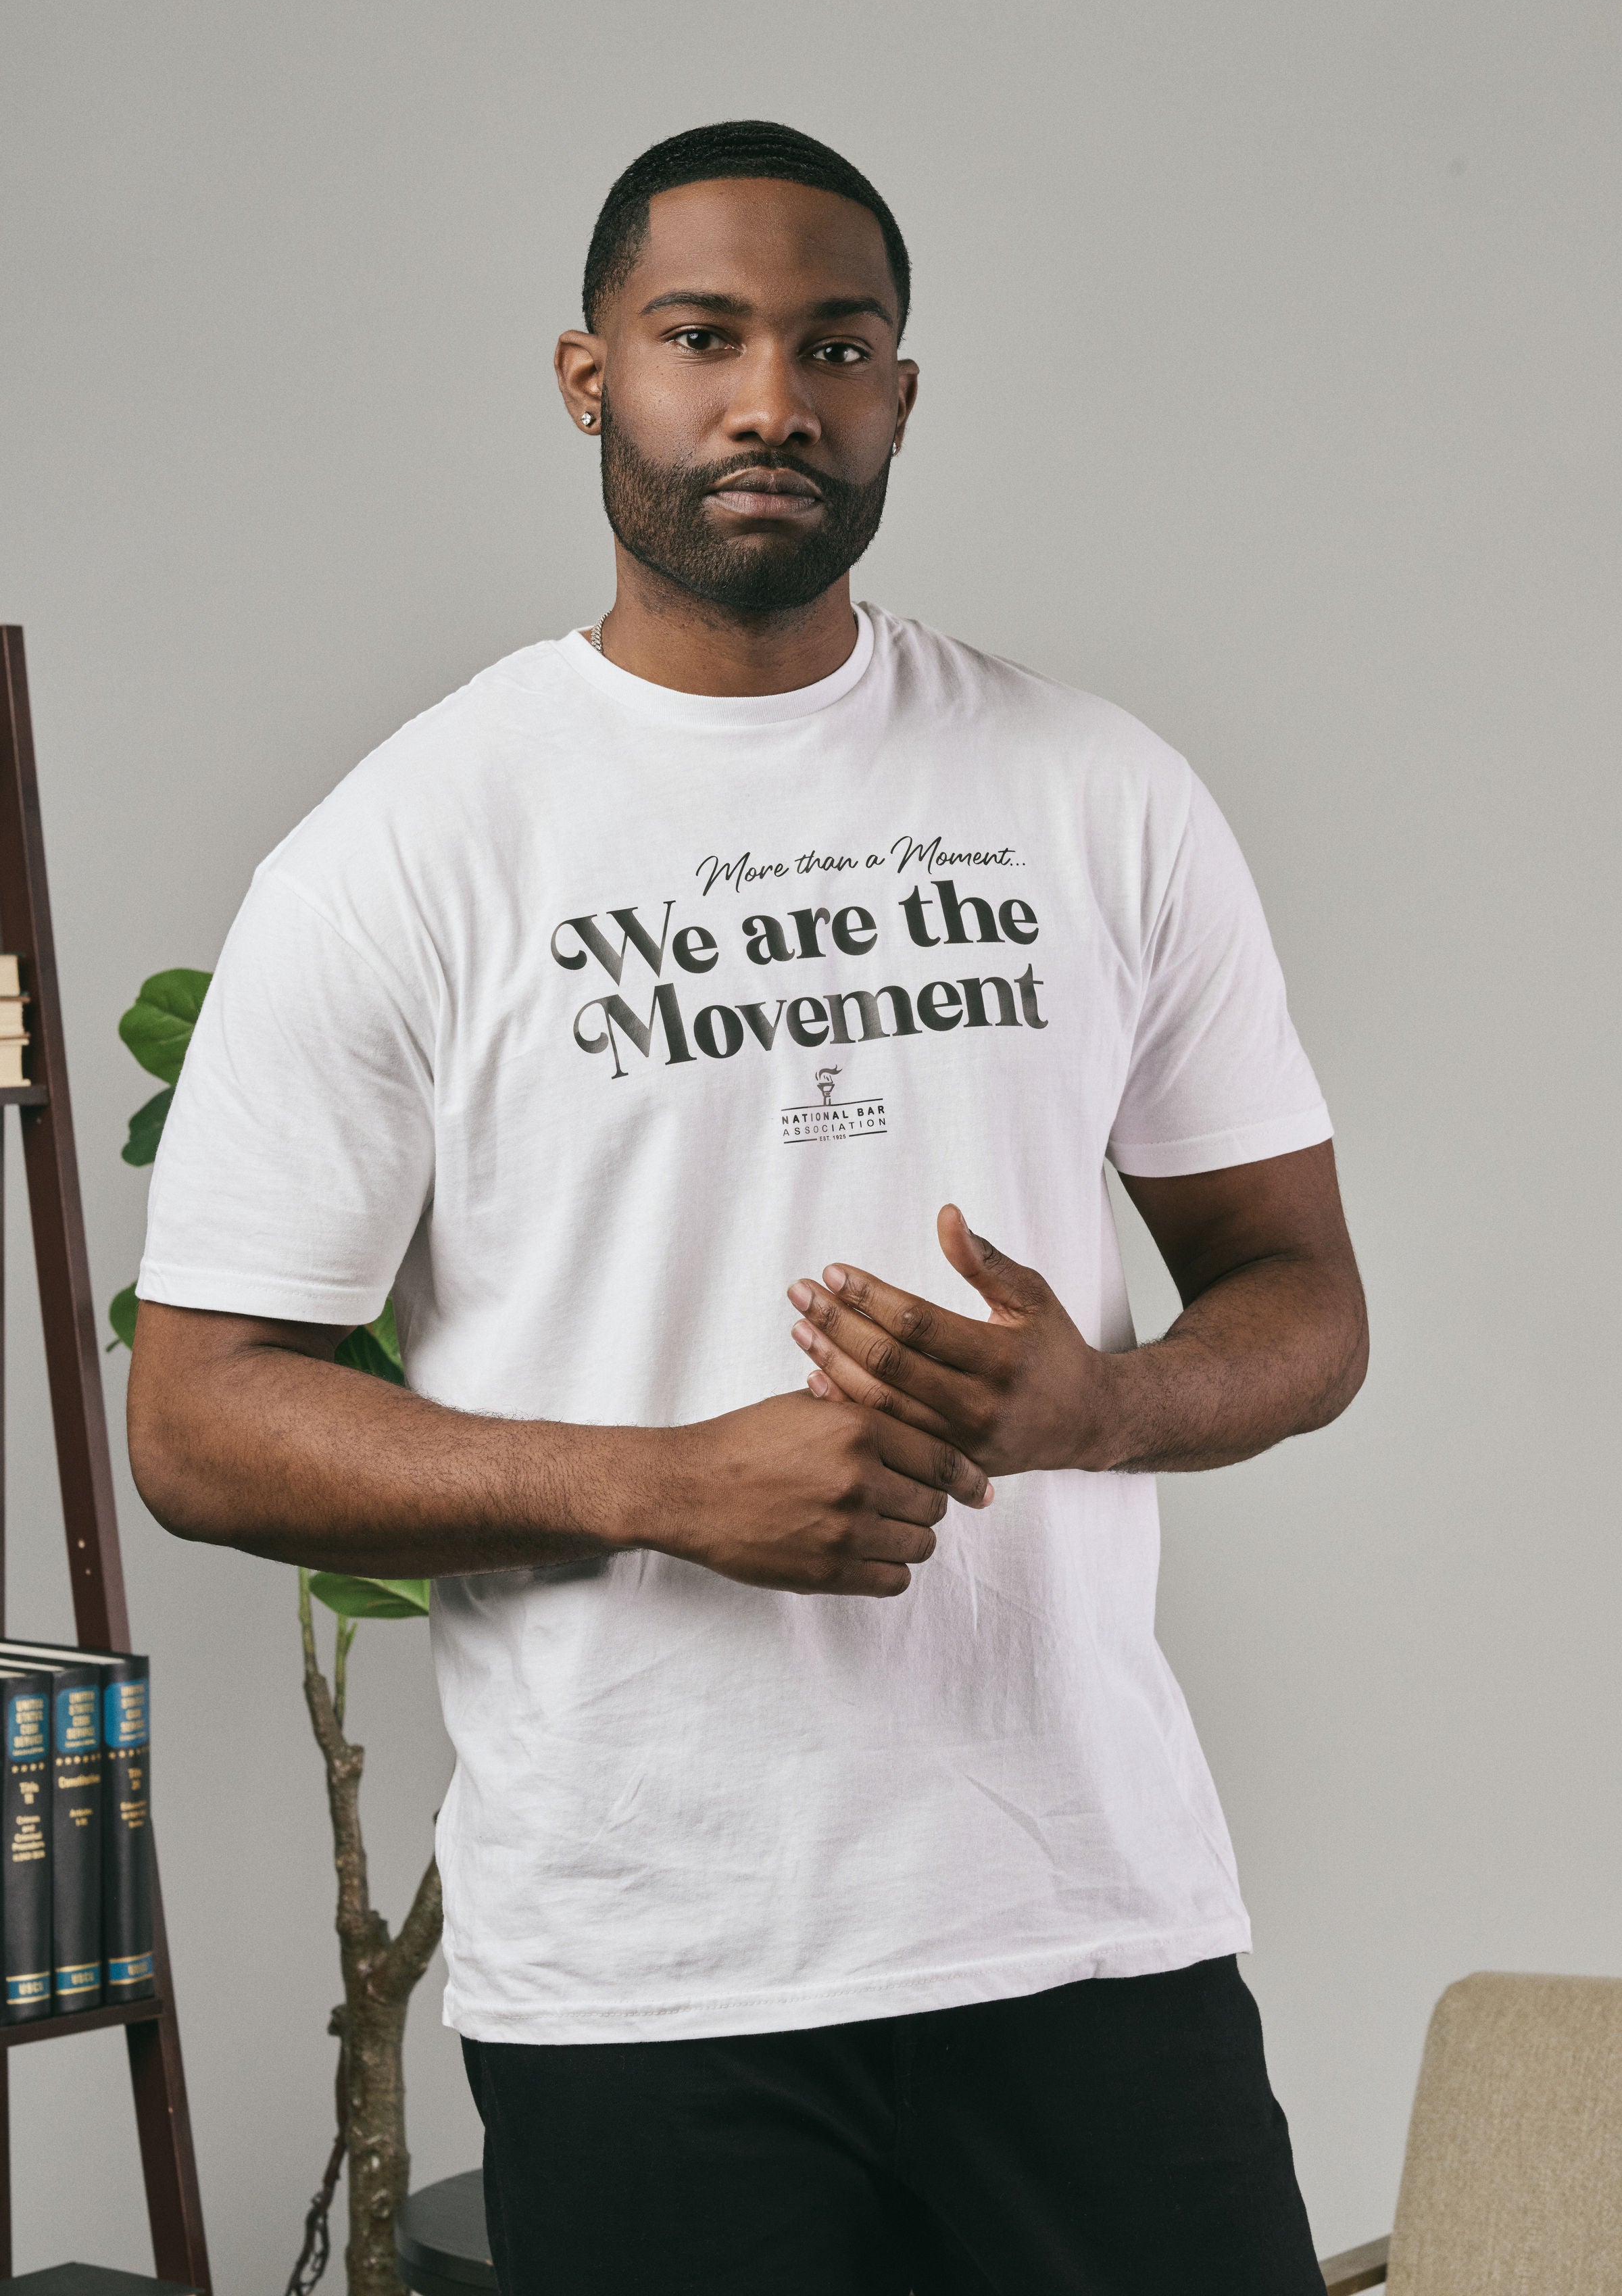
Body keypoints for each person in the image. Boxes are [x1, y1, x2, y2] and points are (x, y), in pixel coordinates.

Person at [129, 120, 1368, 2295]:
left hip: (1086, 1926)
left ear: (901, 395)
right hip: (655, 1982)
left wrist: (1097, 1407)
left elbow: (1304, 1298)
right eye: (703, 336)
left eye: (838, 343)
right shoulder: (408, 850)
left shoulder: (1099, 793)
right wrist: (670, 1484)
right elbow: (200, 1414)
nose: (773, 398)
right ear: (590, 375)